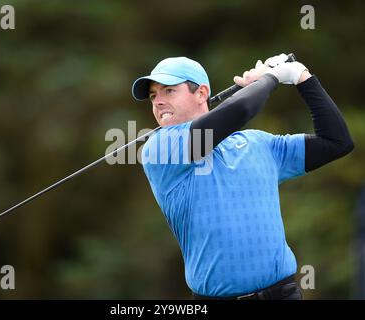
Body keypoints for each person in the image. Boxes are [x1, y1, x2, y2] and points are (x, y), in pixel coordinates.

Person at [131, 54, 354, 300]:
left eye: (169, 91)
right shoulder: (159, 149)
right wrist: (271, 78)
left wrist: (303, 78)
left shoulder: (258, 143)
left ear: (202, 93)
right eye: (153, 96)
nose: (158, 102)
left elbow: (337, 142)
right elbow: (240, 109)